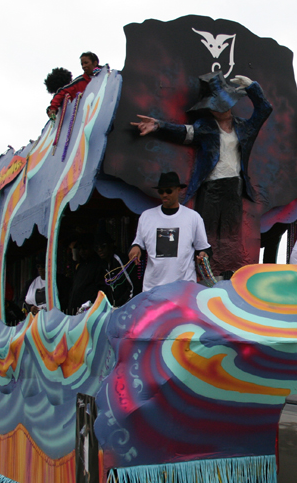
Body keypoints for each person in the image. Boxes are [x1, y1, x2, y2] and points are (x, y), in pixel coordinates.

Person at [131, 71, 272, 277]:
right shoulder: (205, 127)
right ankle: (207, 274)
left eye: (224, 105)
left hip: (234, 185)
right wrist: (158, 125)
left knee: (232, 232)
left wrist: (253, 87)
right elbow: (184, 133)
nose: (220, 111)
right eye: (216, 107)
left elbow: (264, 110)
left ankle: (229, 275)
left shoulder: (244, 127)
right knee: (207, 233)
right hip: (210, 186)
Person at [128, 172, 212, 292]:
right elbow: (138, 243)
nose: (164, 195)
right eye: (161, 192)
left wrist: (204, 255)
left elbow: (203, 248)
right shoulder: (147, 217)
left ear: (178, 190)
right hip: (153, 289)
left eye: (168, 191)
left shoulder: (193, 217)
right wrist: (135, 248)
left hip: (183, 288)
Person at [47, 52, 102, 118]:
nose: (83, 66)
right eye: (82, 64)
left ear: (95, 63)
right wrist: (53, 108)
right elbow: (61, 92)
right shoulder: (79, 82)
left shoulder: (106, 76)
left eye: (86, 63)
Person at [95, 232, 135, 307]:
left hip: (127, 308)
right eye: (97, 248)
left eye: (103, 246)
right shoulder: (103, 264)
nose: (100, 250)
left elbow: (133, 287)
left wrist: (122, 305)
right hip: (115, 309)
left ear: (110, 245)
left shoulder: (119, 260)